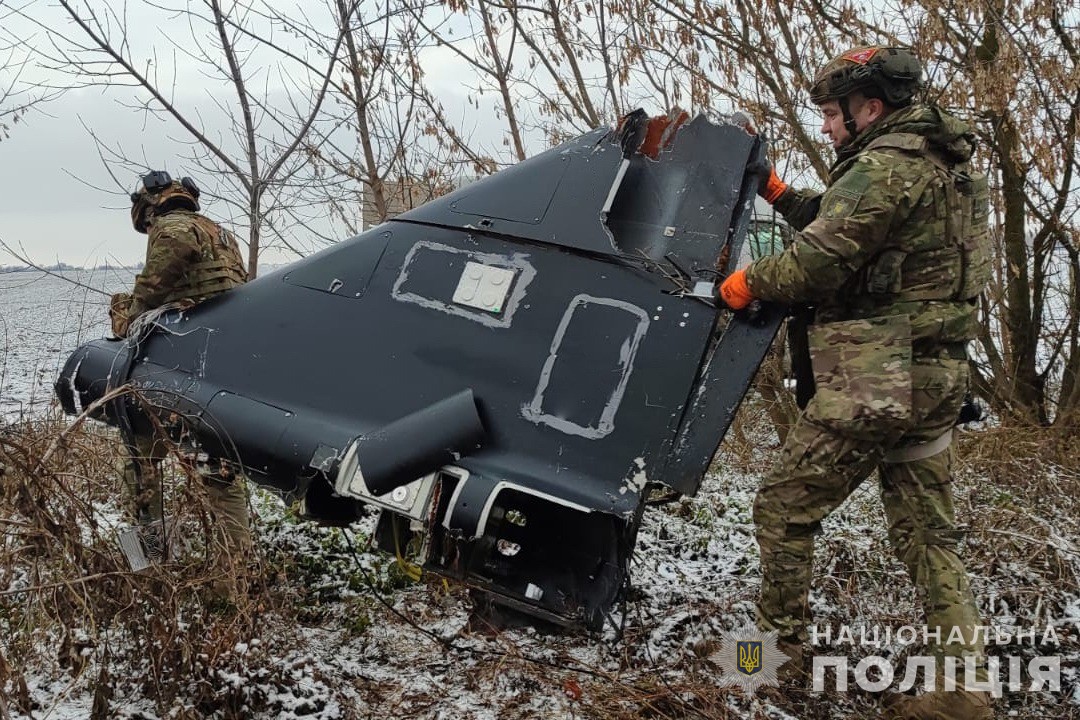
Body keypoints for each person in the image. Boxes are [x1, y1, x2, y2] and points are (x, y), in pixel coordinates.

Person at [720, 47, 992, 719]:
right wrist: (781, 195)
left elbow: (817, 267)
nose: (827, 126)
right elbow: (857, 230)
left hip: (880, 375)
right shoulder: (945, 165)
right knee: (929, 533)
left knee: (784, 507)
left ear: (869, 107)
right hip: (936, 373)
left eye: (831, 114)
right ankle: (962, 690)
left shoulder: (882, 168)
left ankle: (763, 670)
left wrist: (745, 282)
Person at [110, 170, 251, 577]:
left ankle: (149, 570)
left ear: (149, 208)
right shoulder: (221, 235)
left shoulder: (174, 229)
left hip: (177, 372)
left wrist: (123, 313)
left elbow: (145, 302)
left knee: (141, 467)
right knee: (220, 476)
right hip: (219, 371)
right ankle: (234, 578)